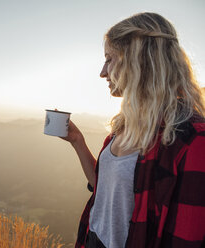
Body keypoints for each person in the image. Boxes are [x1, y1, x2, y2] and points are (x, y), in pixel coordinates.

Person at [60, 12, 205, 248]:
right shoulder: (123, 126)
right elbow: (103, 188)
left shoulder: (192, 140)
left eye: (109, 59)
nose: (102, 72)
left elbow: (186, 238)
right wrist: (77, 141)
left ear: (139, 59)